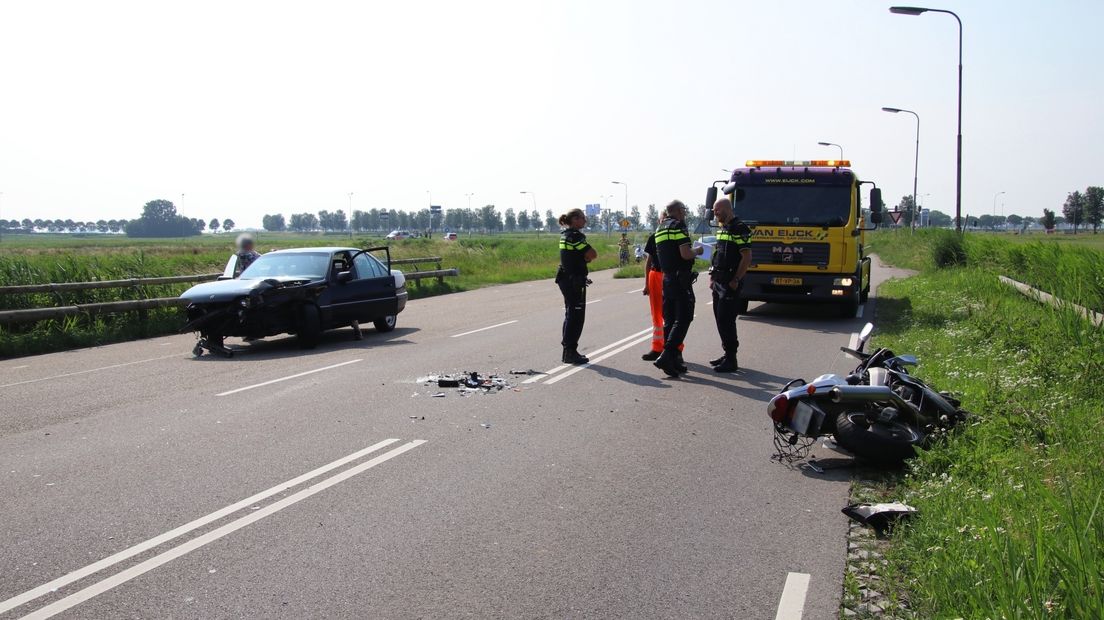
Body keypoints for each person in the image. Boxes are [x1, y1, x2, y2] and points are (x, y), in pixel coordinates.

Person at [652, 200, 703, 377]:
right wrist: (697, 251)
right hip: (681, 279)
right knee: (684, 317)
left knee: (671, 318)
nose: (685, 213)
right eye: (684, 210)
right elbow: (685, 253)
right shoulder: (678, 226)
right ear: (679, 211)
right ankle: (667, 355)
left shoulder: (660, 228)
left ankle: (673, 359)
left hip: (667, 279)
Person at [707, 197, 753, 372]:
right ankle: (727, 354)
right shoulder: (723, 228)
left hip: (730, 282)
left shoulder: (739, 228)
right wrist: (712, 275)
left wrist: (736, 279)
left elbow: (746, 257)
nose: (714, 213)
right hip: (719, 280)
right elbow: (718, 253)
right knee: (720, 319)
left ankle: (732, 359)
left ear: (726, 209)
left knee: (727, 320)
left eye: (717, 210)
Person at [640, 208, 684, 362]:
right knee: (657, 315)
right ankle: (657, 348)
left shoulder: (678, 234)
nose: (664, 221)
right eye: (662, 218)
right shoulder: (655, 236)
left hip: (670, 276)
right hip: (655, 275)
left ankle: (676, 350)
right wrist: (646, 284)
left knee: (672, 316)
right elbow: (649, 261)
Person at [556, 208, 597, 364]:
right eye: (582, 218)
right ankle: (570, 351)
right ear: (574, 219)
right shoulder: (575, 236)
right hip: (573, 281)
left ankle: (568, 350)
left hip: (567, 279)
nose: (585, 221)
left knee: (570, 314)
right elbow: (592, 254)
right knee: (576, 316)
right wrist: (585, 259)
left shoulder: (565, 235)